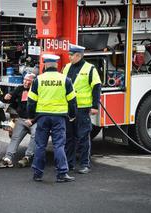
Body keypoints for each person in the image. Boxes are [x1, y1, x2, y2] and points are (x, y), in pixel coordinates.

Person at [27, 54, 77, 183]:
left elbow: (31, 101)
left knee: (40, 146)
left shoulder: (38, 80)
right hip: (59, 118)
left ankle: (37, 174)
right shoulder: (65, 80)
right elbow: (72, 101)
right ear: (56, 65)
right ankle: (62, 173)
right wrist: (72, 115)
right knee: (59, 145)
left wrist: (31, 117)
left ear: (45, 65)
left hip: (42, 117)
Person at [62, 44, 102, 174]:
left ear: (78, 55)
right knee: (69, 137)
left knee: (83, 137)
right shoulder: (67, 67)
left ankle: (85, 164)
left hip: (83, 108)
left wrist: (95, 106)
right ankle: (69, 163)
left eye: (71, 55)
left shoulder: (90, 68)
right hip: (69, 108)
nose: (69, 57)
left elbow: (96, 87)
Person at [0, 73, 37, 168]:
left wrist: (33, 120)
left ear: (34, 82)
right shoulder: (20, 88)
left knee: (35, 135)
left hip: (34, 120)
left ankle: (27, 157)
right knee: (15, 137)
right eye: (25, 80)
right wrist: (7, 96)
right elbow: (10, 99)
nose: (26, 83)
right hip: (21, 119)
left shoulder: (39, 90)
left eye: (29, 81)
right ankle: (7, 159)